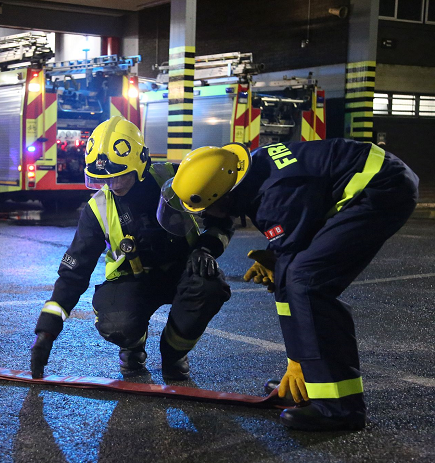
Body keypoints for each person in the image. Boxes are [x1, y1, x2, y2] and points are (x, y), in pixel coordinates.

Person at [161, 139, 418, 431]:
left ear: (225, 198)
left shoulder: (274, 199)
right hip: (372, 175)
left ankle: (339, 408)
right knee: (298, 276)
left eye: (208, 209)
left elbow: (289, 269)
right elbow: (298, 226)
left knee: (306, 284)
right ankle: (317, 377)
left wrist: (295, 359)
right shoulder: (251, 169)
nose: (207, 216)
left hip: (381, 188)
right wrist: (278, 254)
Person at [30, 116, 233, 381]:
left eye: (119, 177)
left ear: (140, 164)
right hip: (132, 280)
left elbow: (222, 220)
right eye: (105, 179)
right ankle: (133, 347)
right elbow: (73, 273)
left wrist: (205, 250)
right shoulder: (97, 208)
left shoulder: (177, 178)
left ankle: (173, 354)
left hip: (184, 270)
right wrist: (46, 332)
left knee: (210, 285)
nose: (112, 185)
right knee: (116, 323)